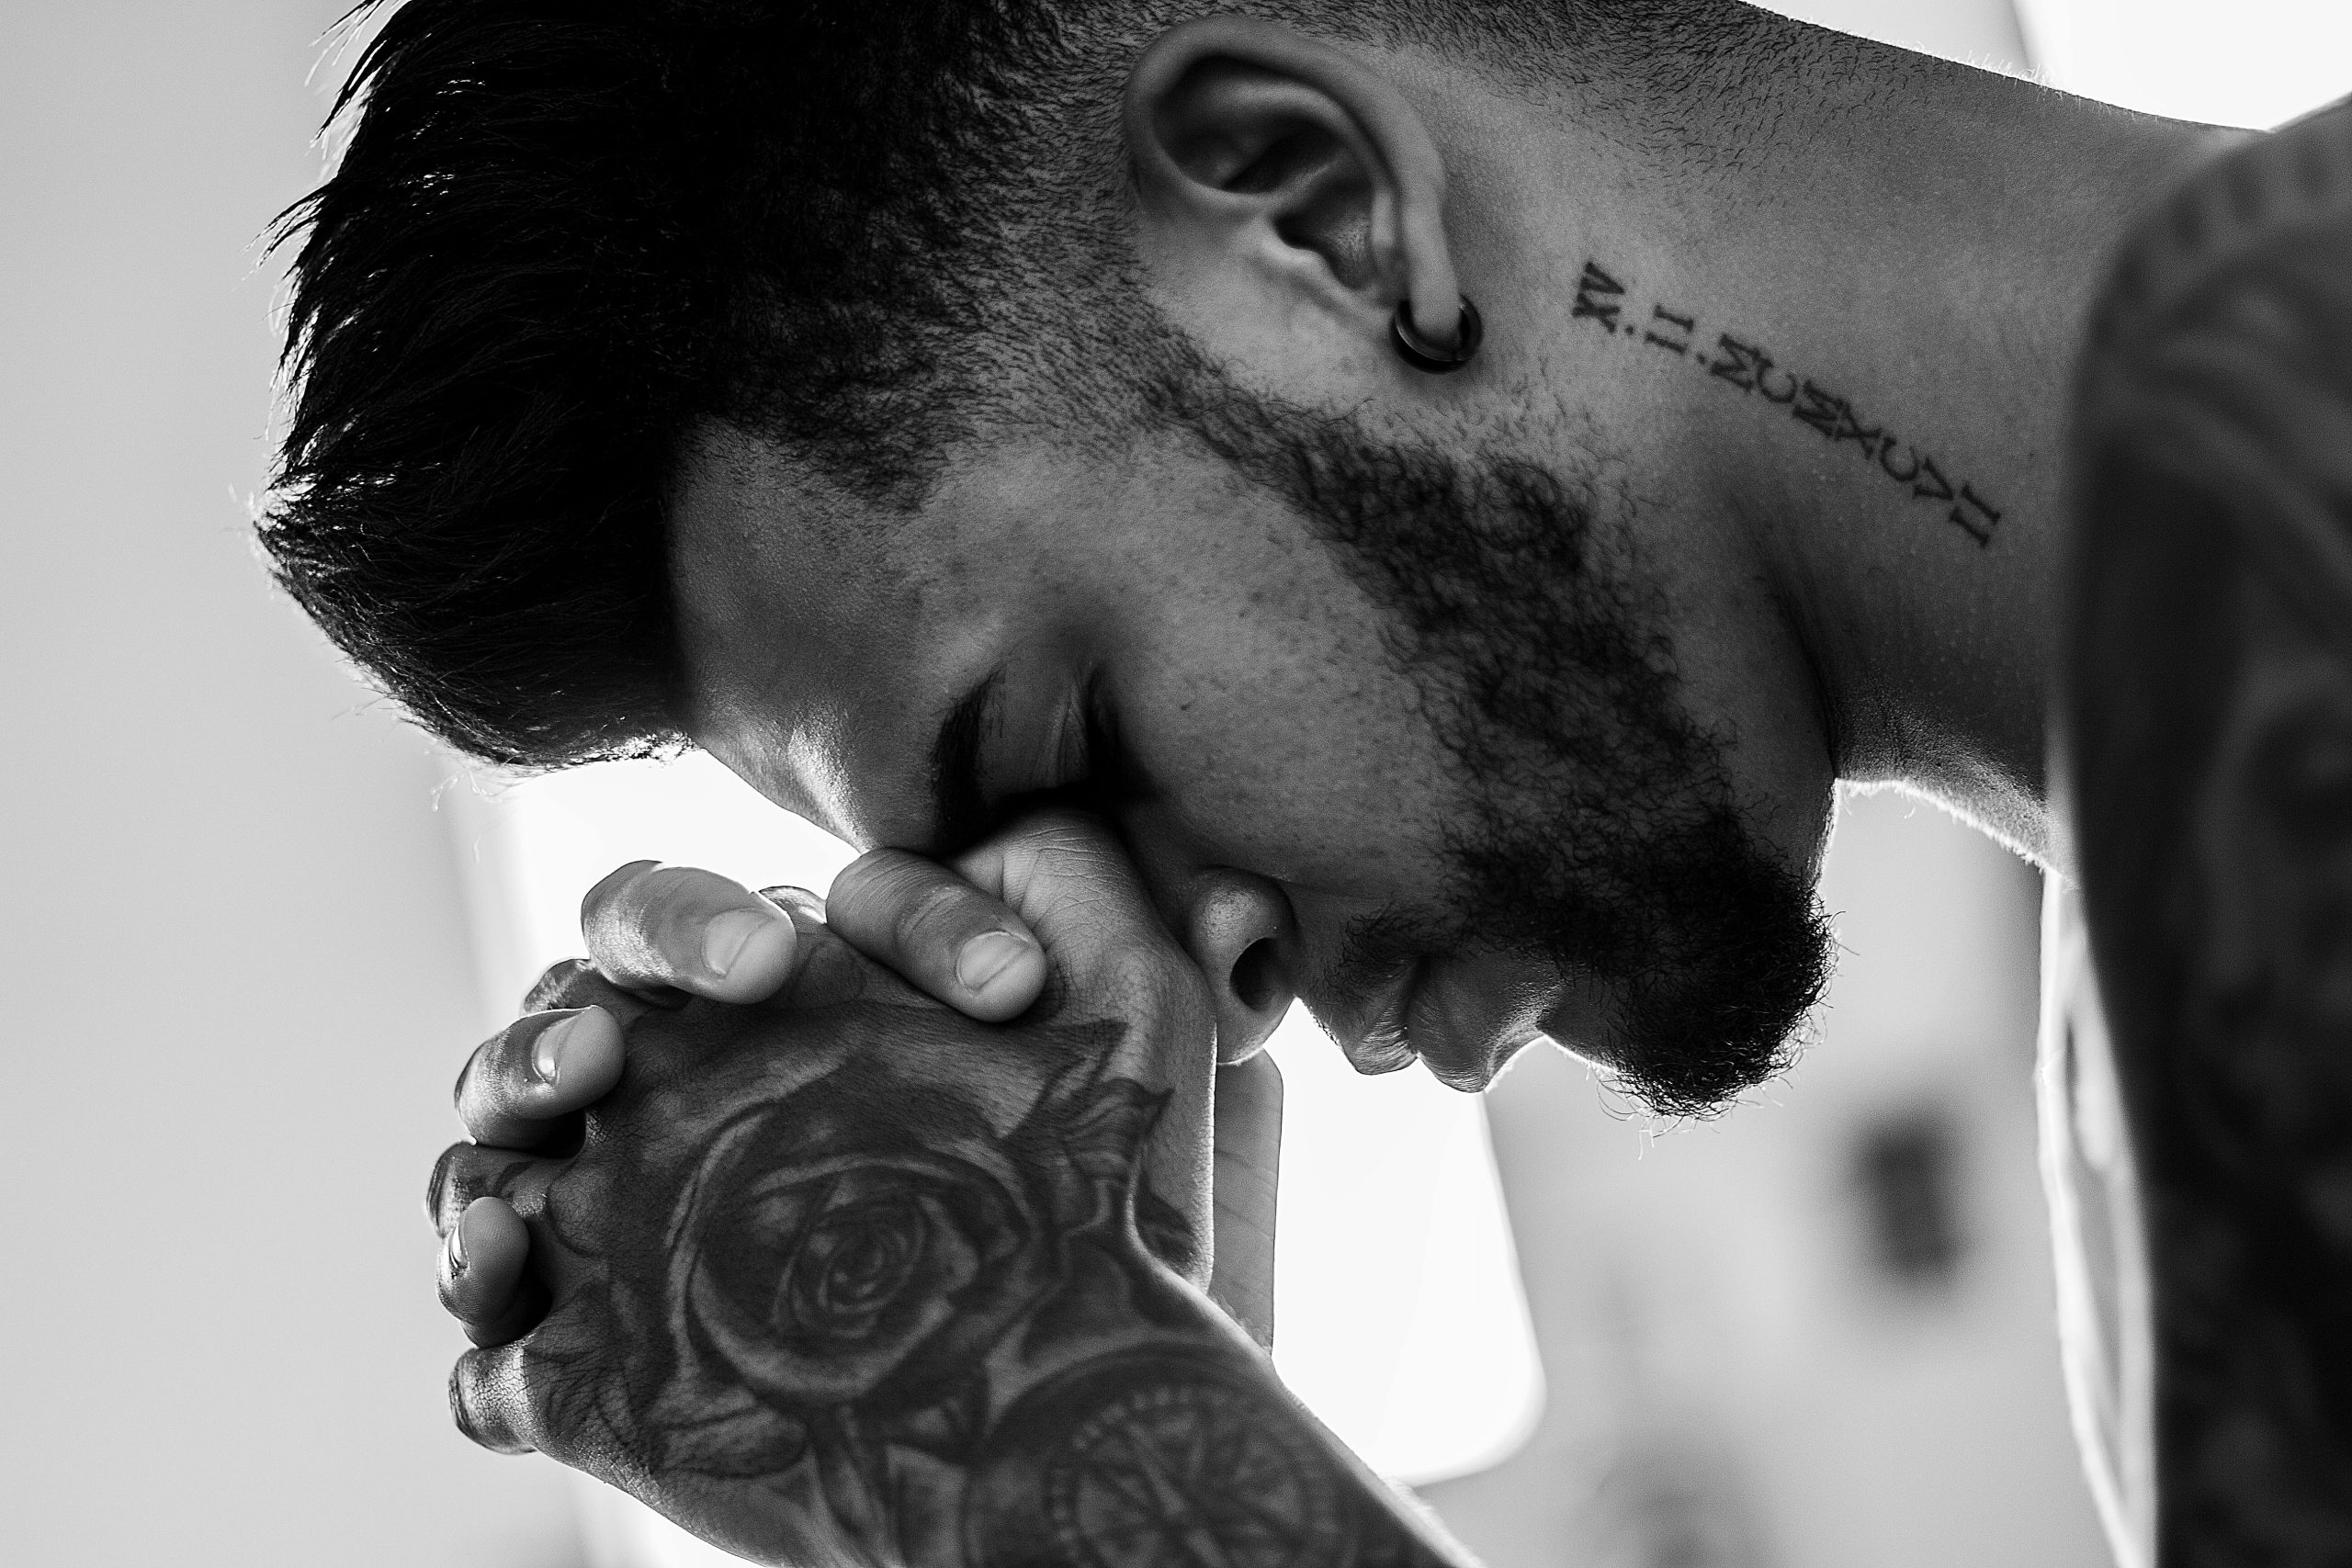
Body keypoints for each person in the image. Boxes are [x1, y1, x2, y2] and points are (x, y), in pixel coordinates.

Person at [257, 0, 2352, 1562]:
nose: (1202, 971)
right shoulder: (2172, 1059)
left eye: (1065, 752)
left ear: (1320, 213)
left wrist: (1046, 1465)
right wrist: (1078, 1390)